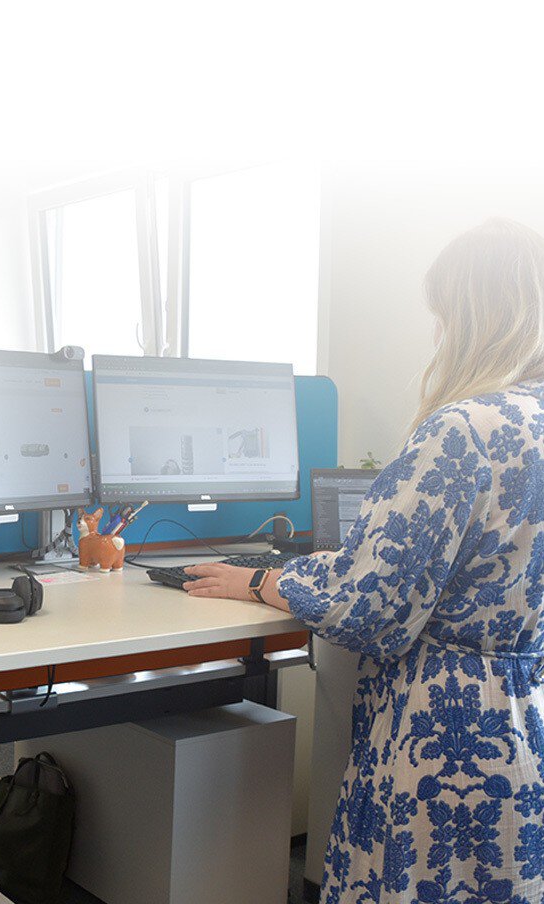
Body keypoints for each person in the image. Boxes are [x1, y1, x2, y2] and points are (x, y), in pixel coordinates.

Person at [184, 218, 544, 904]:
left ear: (470, 318)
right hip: (521, 718)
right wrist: (319, 571)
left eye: (442, 316)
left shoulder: (462, 429)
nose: (437, 334)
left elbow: (369, 606)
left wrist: (260, 581)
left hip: (442, 729)